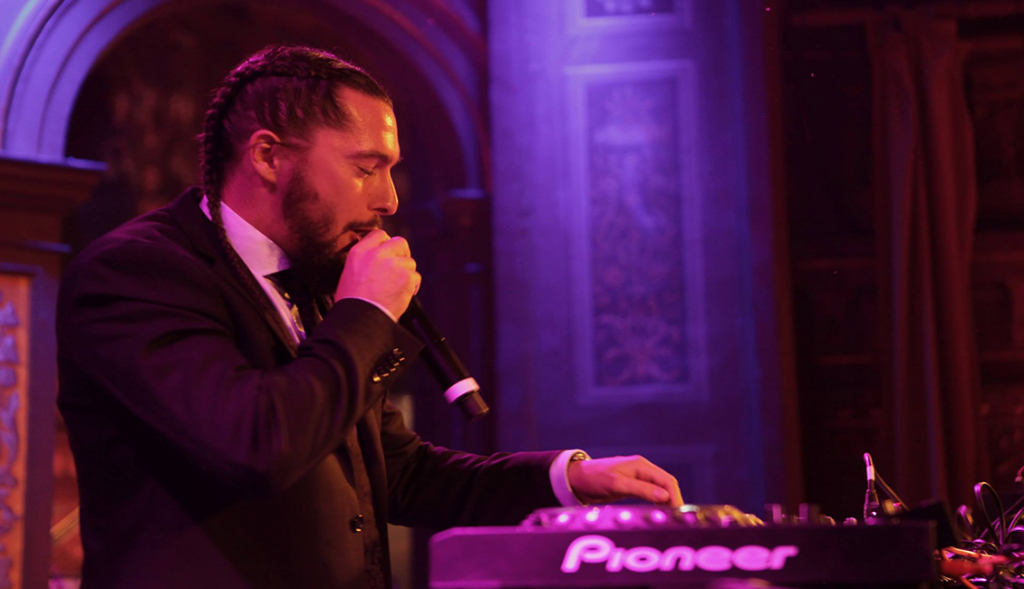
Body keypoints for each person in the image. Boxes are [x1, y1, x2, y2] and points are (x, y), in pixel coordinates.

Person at [56, 45, 683, 589]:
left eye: (390, 171)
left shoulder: (313, 280)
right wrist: (364, 312)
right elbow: (254, 446)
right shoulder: (137, 272)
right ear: (268, 156)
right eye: (365, 169)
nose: (389, 199)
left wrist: (569, 480)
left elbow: (398, 472)